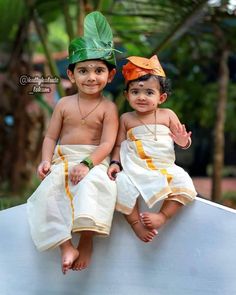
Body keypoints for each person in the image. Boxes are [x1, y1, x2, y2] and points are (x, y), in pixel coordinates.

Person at [27, 11, 119, 274]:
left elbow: (107, 142)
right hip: (63, 160)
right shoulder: (64, 104)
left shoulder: (108, 107)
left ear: (110, 76)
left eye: (99, 70)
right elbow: (50, 137)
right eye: (83, 71)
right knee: (46, 195)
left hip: (94, 160)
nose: (91, 77)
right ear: (71, 73)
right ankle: (65, 245)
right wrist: (45, 160)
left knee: (94, 187)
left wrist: (88, 164)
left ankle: (86, 240)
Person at [108, 55, 197, 243]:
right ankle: (135, 224)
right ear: (127, 95)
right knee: (120, 184)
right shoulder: (126, 118)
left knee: (184, 182)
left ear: (161, 97)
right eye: (135, 92)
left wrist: (183, 142)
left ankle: (163, 216)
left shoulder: (167, 115)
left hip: (163, 166)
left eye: (149, 93)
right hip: (134, 168)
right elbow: (118, 144)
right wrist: (115, 163)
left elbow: (183, 140)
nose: (141, 97)